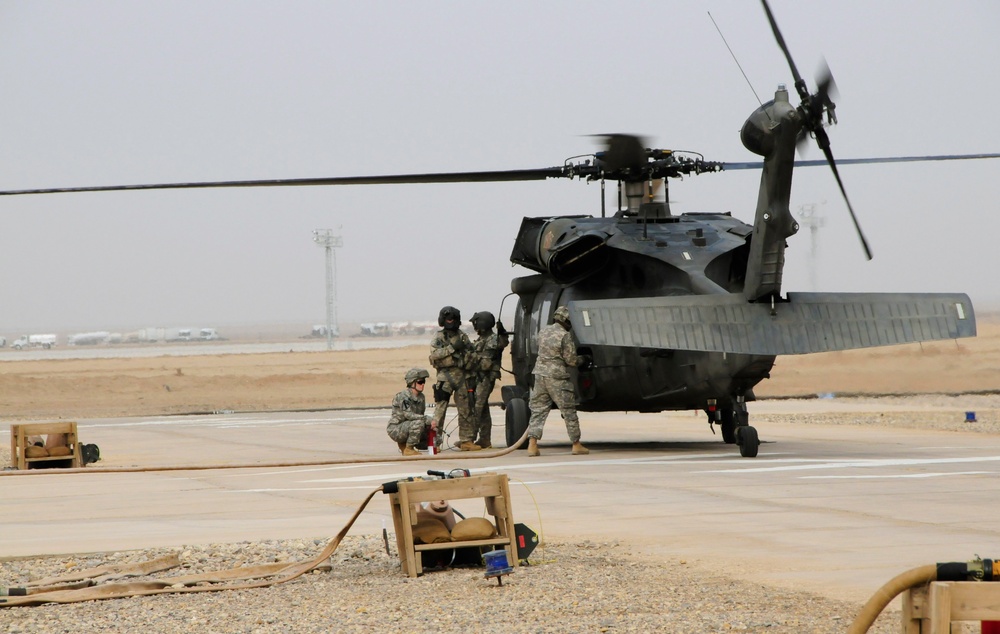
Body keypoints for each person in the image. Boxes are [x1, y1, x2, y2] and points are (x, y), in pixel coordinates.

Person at [526, 305, 590, 457]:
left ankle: (532, 445)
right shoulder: (564, 335)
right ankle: (576, 444)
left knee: (538, 410)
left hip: (540, 375)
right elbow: (571, 360)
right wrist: (584, 359)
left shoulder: (543, 331)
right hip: (557, 378)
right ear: (566, 321)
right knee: (568, 411)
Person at [428, 305, 480, 451]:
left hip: (462, 377)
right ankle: (435, 443)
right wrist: (452, 349)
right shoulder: (438, 337)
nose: (450, 321)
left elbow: (473, 354)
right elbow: (435, 355)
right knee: (440, 411)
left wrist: (466, 358)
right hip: (445, 378)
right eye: (448, 318)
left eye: (453, 318)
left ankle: (466, 441)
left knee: (466, 410)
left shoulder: (462, 336)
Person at [468, 311, 508, 449]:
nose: (474, 326)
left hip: (485, 378)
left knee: (477, 408)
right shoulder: (482, 339)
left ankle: (469, 438)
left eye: (476, 323)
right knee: (483, 408)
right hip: (478, 377)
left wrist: (471, 358)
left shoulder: (492, 340)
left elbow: (485, 364)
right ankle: (485, 439)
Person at [386, 367, 435, 456]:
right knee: (419, 423)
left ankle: (428, 446)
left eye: (424, 382)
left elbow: (419, 416)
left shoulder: (421, 397)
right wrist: (426, 419)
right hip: (396, 429)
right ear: (412, 383)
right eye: (420, 382)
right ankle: (409, 448)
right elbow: (408, 415)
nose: (422, 384)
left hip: (409, 426)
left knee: (431, 427)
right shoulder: (404, 396)